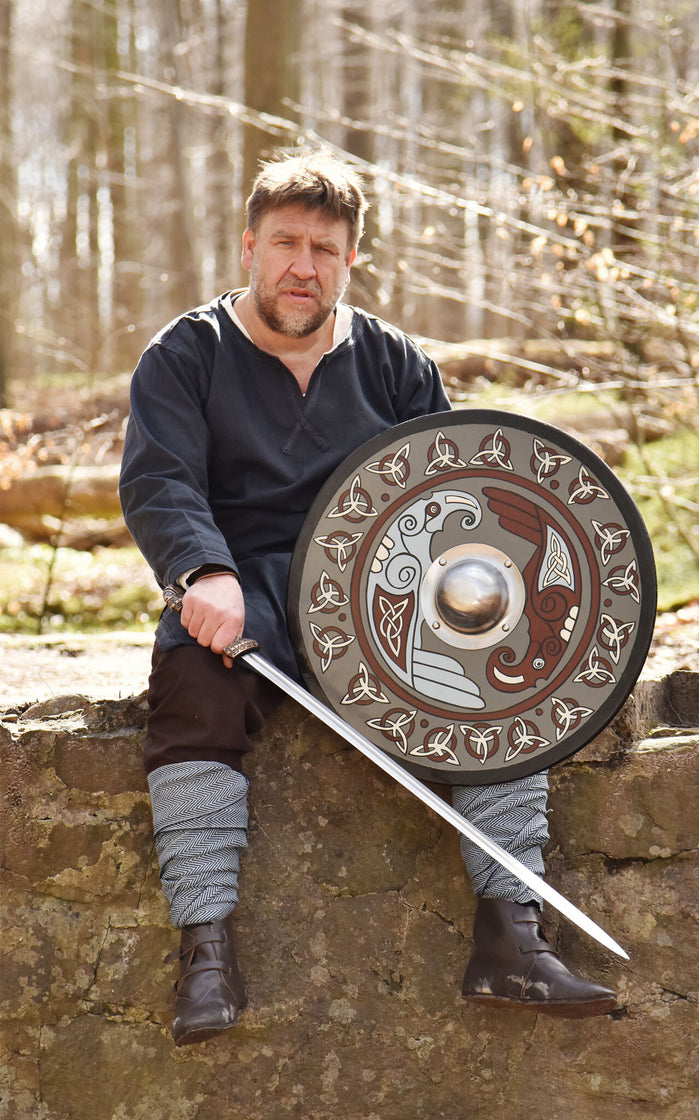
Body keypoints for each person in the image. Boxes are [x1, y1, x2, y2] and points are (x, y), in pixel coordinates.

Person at [119, 150, 616, 1047]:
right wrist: (200, 573)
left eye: (325, 249)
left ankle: (511, 936)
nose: (302, 267)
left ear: (350, 261)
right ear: (248, 247)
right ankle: (205, 951)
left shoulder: (392, 362)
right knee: (195, 680)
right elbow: (161, 482)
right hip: (243, 584)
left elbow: (458, 492)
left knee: (503, 676)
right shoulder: (186, 355)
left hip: (382, 592)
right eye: (285, 244)